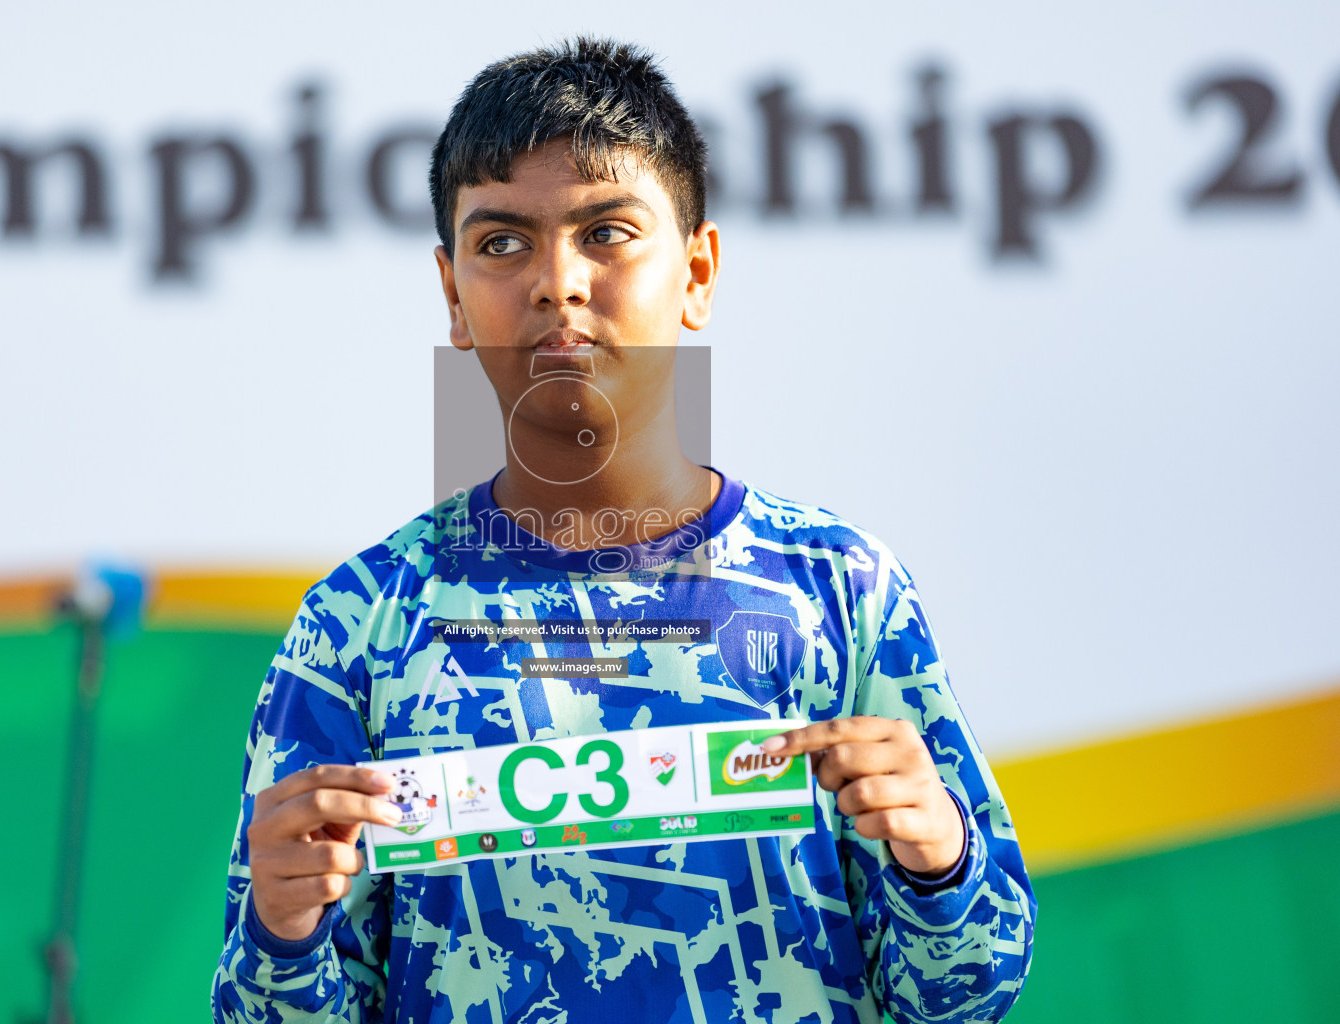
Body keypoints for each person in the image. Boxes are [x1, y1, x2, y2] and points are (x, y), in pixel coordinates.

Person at [211, 36, 1035, 1024]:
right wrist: (283, 933)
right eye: (502, 241)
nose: (557, 280)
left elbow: (967, 995)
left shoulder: (841, 592)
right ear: (452, 296)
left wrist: (937, 862)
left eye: (606, 231)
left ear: (698, 271)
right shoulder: (359, 623)